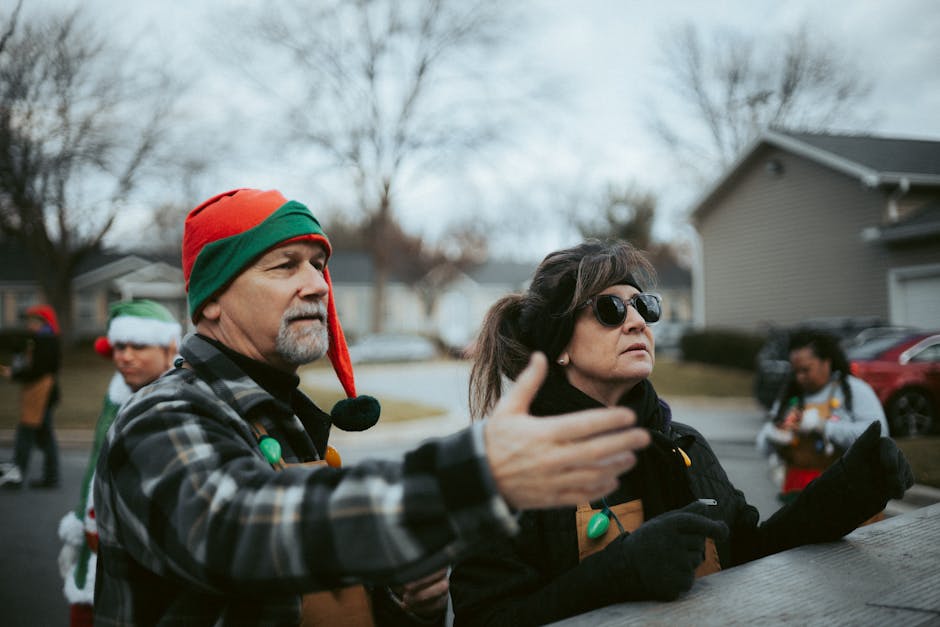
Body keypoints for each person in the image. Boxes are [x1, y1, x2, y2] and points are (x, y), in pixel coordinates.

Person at [93, 188, 651, 626]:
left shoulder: (291, 428)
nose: (317, 285)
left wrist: (409, 606)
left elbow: (312, 596)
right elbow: (236, 529)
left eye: (318, 265)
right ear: (211, 299)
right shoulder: (161, 416)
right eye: (284, 266)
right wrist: (468, 479)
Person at [448, 240, 914, 626]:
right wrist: (618, 573)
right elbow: (485, 616)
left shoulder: (683, 446)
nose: (637, 321)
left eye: (643, 306)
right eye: (610, 309)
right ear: (560, 346)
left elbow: (747, 554)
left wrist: (842, 495)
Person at [57, 299, 181, 627]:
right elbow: (92, 475)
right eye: (119, 346)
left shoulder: (181, 405)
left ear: (170, 346)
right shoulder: (115, 396)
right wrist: (81, 530)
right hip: (96, 549)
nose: (124, 356)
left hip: (150, 569)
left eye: (139, 346)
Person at [756, 328, 890, 502]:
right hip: (797, 490)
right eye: (795, 371)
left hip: (845, 490)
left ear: (826, 363)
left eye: (806, 370)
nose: (799, 377)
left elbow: (879, 434)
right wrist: (772, 435)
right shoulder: (790, 395)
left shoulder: (855, 390)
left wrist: (823, 426)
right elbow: (765, 445)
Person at [0, 304, 62, 489]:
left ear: (44, 322)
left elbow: (38, 370)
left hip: (42, 396)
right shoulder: (39, 339)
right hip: (43, 396)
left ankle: (16, 478)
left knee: (25, 436)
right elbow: (15, 344)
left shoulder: (47, 340)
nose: (29, 325)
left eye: (33, 321)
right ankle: (51, 477)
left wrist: (15, 374)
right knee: (45, 436)